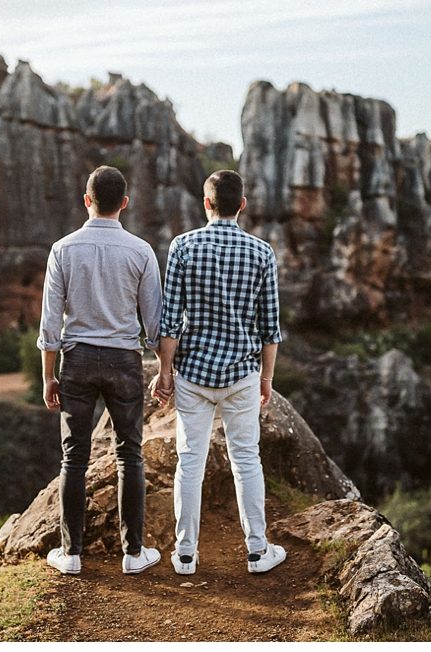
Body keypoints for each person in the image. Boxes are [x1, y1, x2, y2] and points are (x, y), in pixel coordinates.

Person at [151, 169, 286, 575]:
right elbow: (270, 327)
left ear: (206, 204)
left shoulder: (183, 247)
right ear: (241, 205)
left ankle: (186, 555)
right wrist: (266, 379)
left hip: (193, 373)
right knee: (246, 460)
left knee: (189, 460)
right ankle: (258, 552)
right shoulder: (262, 253)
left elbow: (170, 321)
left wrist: (165, 371)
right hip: (243, 374)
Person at [37, 165, 163, 576]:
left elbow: (50, 323)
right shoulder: (141, 251)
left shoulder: (62, 249)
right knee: (130, 455)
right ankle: (133, 553)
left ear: (86, 200)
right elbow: (155, 322)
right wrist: (165, 368)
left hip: (77, 360)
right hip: (125, 360)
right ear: (124, 203)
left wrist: (47, 376)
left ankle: (71, 554)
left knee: (74, 457)